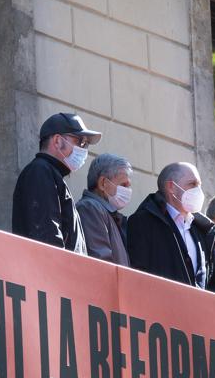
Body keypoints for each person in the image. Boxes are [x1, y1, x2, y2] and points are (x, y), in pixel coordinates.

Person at [11, 112, 101, 254]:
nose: (84, 150)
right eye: (80, 142)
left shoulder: (51, 174)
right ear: (58, 141)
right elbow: (47, 237)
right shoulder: (40, 171)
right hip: (51, 273)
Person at [126, 162, 215, 287]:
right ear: (171, 187)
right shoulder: (143, 222)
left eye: (199, 185)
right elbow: (139, 274)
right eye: (192, 184)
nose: (198, 191)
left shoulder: (201, 229)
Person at [75, 153, 132, 265]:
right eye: (123, 185)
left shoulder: (108, 214)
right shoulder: (90, 208)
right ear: (103, 183)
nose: (128, 190)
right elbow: (101, 263)